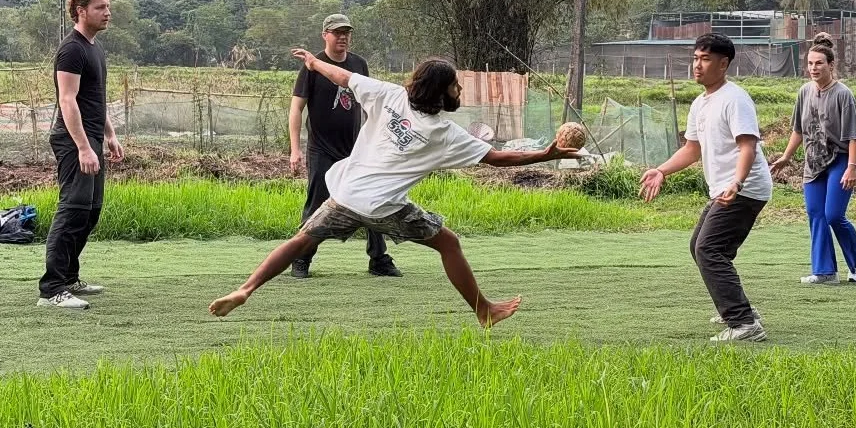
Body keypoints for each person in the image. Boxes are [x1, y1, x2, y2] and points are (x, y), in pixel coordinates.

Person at [210, 51, 581, 327]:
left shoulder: (388, 95)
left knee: (301, 240)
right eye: (455, 84)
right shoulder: (444, 134)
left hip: (347, 193)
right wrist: (547, 153)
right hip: (385, 207)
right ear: (441, 93)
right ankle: (484, 311)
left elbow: (342, 77)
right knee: (448, 243)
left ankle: (246, 288)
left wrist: (313, 62)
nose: (460, 88)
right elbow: (498, 159)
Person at [639, 33, 773, 343]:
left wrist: (736, 183)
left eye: (706, 59)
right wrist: (661, 170)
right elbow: (691, 150)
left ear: (723, 64)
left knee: (708, 248)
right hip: (726, 189)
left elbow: (747, 147)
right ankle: (741, 310)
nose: (697, 66)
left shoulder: (736, 99)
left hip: (745, 188)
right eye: (696, 58)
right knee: (701, 247)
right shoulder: (700, 103)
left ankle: (744, 324)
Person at [287, 13, 399, 279]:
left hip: (356, 150)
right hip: (322, 149)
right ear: (325, 35)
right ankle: (301, 259)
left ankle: (379, 260)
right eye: (337, 32)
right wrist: (295, 149)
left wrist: (378, 140)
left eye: (346, 32)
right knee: (316, 205)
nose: (343, 37)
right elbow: (296, 108)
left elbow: (371, 103)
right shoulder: (312, 66)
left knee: (371, 200)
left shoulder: (359, 64)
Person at [37, 0, 124, 311]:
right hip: (73, 141)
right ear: (81, 11)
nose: (107, 12)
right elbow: (68, 100)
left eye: (108, 6)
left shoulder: (94, 48)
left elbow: (94, 102)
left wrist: (110, 135)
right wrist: (84, 147)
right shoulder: (72, 49)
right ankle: (51, 289)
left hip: (92, 140)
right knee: (72, 210)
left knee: (91, 212)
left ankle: (70, 277)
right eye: (100, 7)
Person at [769, 32, 856, 285]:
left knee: (834, 215)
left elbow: (855, 136)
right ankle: (825, 272)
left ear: (831, 65)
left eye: (819, 63)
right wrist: (786, 157)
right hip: (813, 162)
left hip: (840, 160)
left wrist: (852, 168)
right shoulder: (804, 92)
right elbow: (798, 131)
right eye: (810, 63)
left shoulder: (843, 94)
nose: (814, 68)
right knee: (816, 214)